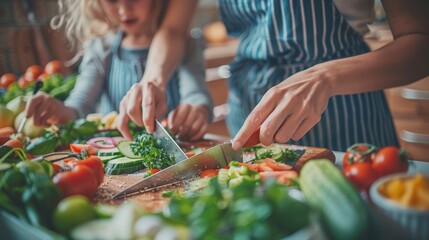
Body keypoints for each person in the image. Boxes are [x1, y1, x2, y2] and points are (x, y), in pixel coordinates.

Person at [123, 0, 429, 152]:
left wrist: (325, 77)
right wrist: (153, 78)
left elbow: (420, 42)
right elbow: (174, 29)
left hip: (347, 111)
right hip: (249, 111)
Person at [24, 0, 213, 141]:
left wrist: (197, 111)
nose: (124, 9)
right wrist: (60, 110)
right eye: (112, 0)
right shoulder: (100, 48)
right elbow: (79, 107)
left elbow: (196, 95)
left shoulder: (183, 45)